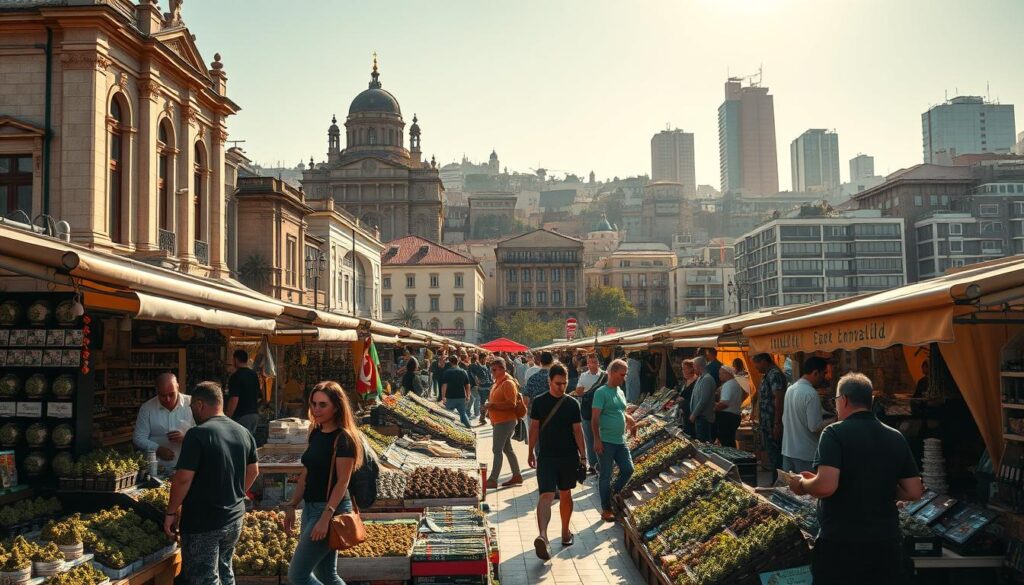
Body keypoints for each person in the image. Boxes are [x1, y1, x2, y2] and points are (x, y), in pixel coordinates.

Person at [789, 373, 924, 585]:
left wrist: (801, 484)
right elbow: (914, 491)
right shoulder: (895, 436)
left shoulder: (834, 433)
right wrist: (881, 485)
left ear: (843, 400)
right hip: (886, 542)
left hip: (841, 541)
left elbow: (825, 486)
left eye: (835, 401)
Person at [164, 382, 259, 585]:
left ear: (200, 404)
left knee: (205, 579)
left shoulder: (197, 434)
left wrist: (171, 512)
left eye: (191, 409)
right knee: (225, 573)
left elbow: (183, 478)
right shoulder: (243, 431)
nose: (192, 414)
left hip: (204, 522)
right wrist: (237, 494)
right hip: (234, 519)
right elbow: (254, 471)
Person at [281, 381, 366, 585]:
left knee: (297, 576)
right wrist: (292, 504)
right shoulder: (316, 433)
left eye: (322, 405)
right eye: (313, 403)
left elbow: (343, 481)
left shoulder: (344, 439)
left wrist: (325, 517)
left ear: (336, 406)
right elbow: (306, 472)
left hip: (330, 510)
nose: (316, 409)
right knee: (326, 576)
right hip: (311, 508)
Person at [528, 364, 587, 560]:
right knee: (545, 495)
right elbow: (534, 428)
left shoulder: (572, 404)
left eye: (564, 383)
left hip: (568, 457)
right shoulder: (539, 402)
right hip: (546, 456)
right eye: (557, 383)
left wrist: (584, 457)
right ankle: (543, 536)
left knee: (565, 494)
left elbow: (578, 431)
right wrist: (530, 451)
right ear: (549, 381)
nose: (561, 387)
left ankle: (564, 531)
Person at [592, 359, 636, 521]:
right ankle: (606, 509)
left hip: (620, 440)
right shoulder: (601, 392)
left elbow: (619, 411)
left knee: (628, 469)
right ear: (611, 373)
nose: (624, 378)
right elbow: (595, 418)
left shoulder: (620, 391)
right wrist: (597, 440)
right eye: (622, 374)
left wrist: (630, 420)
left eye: (625, 375)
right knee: (606, 474)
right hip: (606, 440)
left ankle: (611, 492)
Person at [133, 373, 195, 473]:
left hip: (187, 468)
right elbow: (139, 437)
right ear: (156, 391)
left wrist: (186, 438)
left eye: (171, 394)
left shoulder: (192, 404)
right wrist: (157, 449)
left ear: (178, 387)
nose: (167, 399)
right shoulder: (147, 408)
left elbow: (204, 433)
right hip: (157, 469)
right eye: (163, 395)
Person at [782, 356, 830, 473]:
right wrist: (835, 419)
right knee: (807, 491)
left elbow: (786, 418)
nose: (824, 377)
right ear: (815, 373)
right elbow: (814, 426)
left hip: (788, 451)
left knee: (789, 490)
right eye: (823, 373)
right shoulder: (811, 393)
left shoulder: (790, 389)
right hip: (806, 454)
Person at [483, 358, 523, 489]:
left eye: (494, 370)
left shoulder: (507, 383)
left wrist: (492, 405)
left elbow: (511, 403)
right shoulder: (498, 382)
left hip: (505, 421)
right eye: (491, 369)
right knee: (507, 448)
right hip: (499, 420)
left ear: (502, 369)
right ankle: (517, 475)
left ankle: (493, 479)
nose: (492, 372)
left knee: (497, 449)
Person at [753, 353, 788, 483]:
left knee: (776, 456)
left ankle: (778, 484)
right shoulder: (768, 375)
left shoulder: (774, 374)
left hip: (773, 423)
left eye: (756, 363)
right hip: (768, 423)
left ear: (763, 361)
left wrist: (777, 423)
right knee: (773, 456)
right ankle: (776, 482)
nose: (755, 367)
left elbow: (778, 398)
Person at [574, 354, 605, 474]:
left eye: (595, 362)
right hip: (587, 410)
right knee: (589, 437)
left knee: (601, 436)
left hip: (602, 411)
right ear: (587, 364)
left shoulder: (604, 376)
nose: (592, 364)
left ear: (598, 363)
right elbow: (578, 391)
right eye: (590, 362)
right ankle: (592, 464)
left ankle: (602, 463)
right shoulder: (583, 376)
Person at [226, 349, 261, 436]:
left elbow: (234, 399)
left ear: (236, 360)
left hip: (242, 416)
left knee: (241, 443)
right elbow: (259, 396)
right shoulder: (254, 375)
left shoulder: (235, 377)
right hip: (254, 415)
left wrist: (227, 417)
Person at [715, 366, 745, 448]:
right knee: (730, 440)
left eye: (721, 373)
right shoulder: (736, 384)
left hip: (727, 417)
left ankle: (730, 459)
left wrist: (712, 408)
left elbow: (724, 403)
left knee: (726, 441)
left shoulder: (728, 385)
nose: (719, 376)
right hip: (735, 415)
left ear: (727, 374)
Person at [439, 355, 472, 428]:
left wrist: (443, 397)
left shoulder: (447, 372)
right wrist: (468, 396)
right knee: (463, 413)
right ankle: (469, 427)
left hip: (450, 397)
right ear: (458, 361)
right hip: (461, 397)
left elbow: (444, 385)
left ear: (450, 362)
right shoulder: (463, 372)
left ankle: (448, 429)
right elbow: (467, 385)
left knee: (448, 415)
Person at [689, 357, 717, 442]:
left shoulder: (707, 379)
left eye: (694, 367)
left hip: (704, 417)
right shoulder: (701, 378)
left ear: (699, 367)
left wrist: (694, 414)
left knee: (704, 442)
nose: (693, 369)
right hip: (700, 417)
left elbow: (703, 400)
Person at [677, 359, 698, 438]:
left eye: (684, 368)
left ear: (691, 369)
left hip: (691, 412)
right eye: (682, 368)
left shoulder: (696, 381)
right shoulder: (686, 381)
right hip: (684, 413)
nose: (683, 371)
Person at [467, 354, 490, 424]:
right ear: (482, 359)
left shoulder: (485, 365)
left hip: (488, 387)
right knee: (482, 403)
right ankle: (481, 417)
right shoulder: (475, 366)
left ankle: (482, 417)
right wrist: (477, 382)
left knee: (486, 402)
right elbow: (472, 373)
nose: (486, 360)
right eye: (485, 359)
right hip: (482, 388)